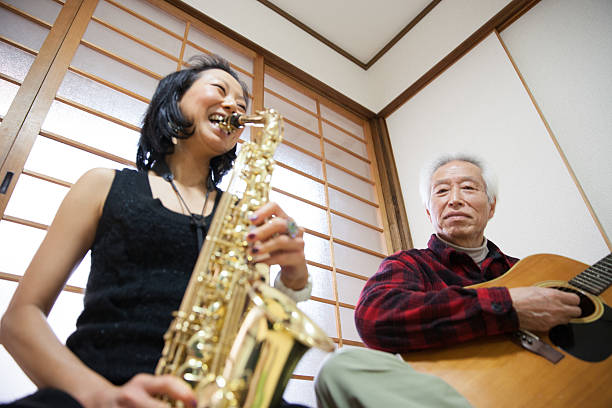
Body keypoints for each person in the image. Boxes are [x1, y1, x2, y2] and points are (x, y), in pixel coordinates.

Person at [0, 55, 312, 408]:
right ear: (174, 100)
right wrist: (101, 396)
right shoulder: (102, 185)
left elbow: (248, 326)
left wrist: (294, 278)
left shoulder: (245, 214)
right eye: (220, 89)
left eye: (241, 104)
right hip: (100, 385)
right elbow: (19, 318)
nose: (233, 105)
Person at [314, 152, 582, 407]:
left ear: (491, 207)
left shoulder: (530, 270)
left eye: (468, 187)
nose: (454, 199)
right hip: (450, 394)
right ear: (430, 213)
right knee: (342, 366)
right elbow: (374, 317)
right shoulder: (409, 263)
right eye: (441, 191)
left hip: (541, 389)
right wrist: (507, 306)